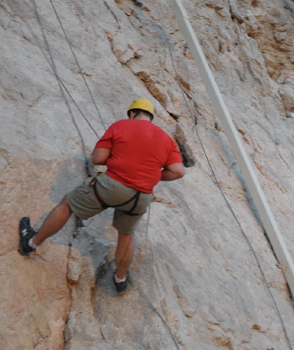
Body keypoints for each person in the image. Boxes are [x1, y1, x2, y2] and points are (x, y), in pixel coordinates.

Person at [18, 98, 185, 294]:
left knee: (67, 204)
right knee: (126, 234)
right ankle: (120, 279)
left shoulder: (121, 125)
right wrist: (153, 175)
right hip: (140, 198)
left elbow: (97, 159)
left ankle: (31, 243)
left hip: (112, 186)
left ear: (132, 113)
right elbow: (178, 171)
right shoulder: (166, 139)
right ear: (150, 118)